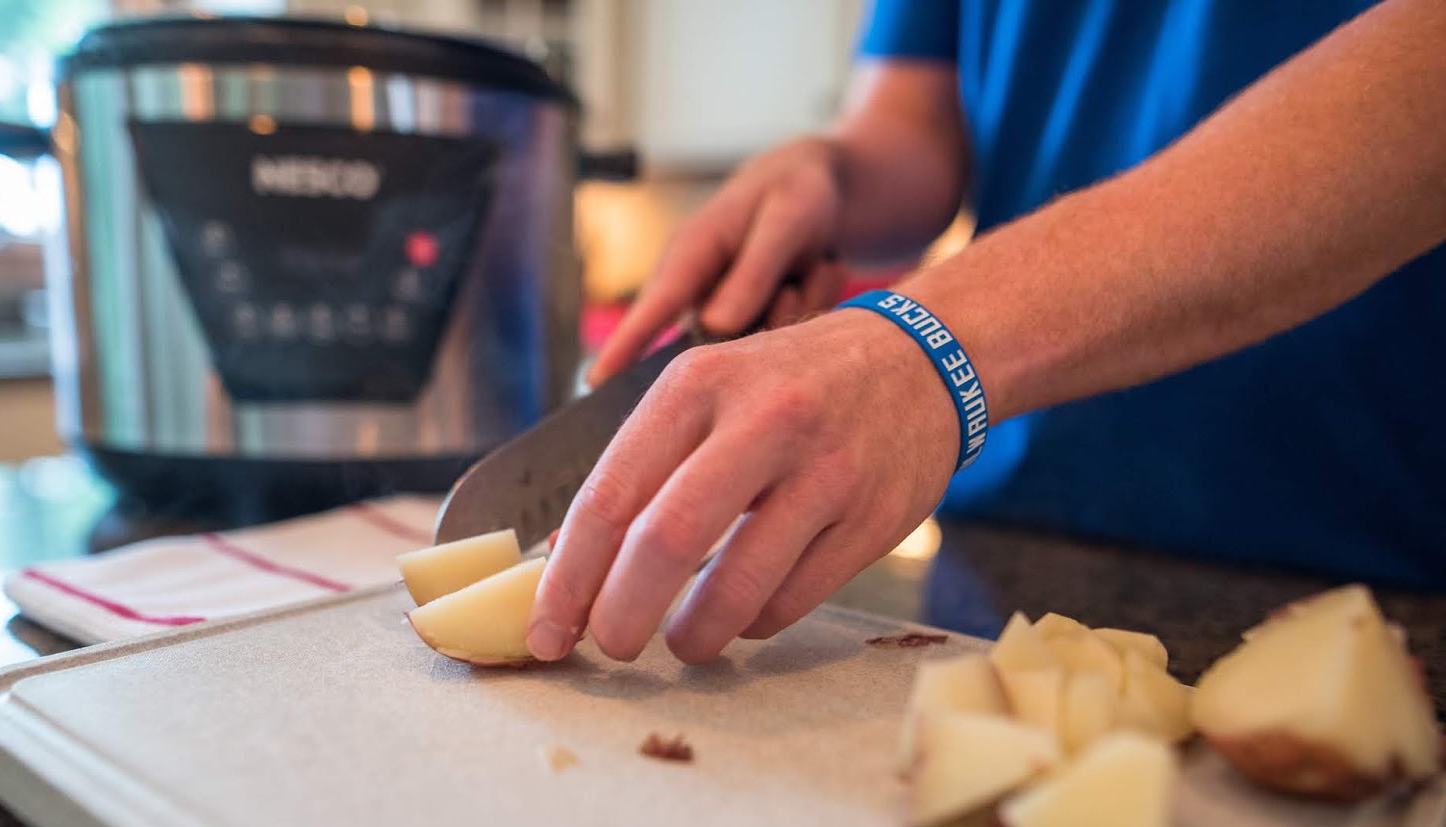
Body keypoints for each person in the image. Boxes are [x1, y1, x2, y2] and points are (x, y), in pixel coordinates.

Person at [525, 0, 1446, 666]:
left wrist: (932, 342)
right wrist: (836, 175)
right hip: (1007, 542)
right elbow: (915, 121)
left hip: (1371, 556)